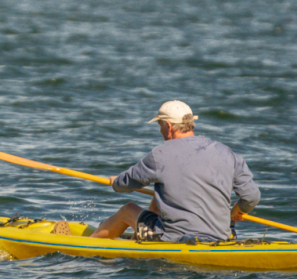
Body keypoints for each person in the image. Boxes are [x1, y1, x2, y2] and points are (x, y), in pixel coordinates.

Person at [88, 100, 260, 243]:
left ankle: (89, 245)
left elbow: (124, 185)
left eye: (160, 125)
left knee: (127, 209)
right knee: (159, 196)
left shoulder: (160, 155)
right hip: (220, 237)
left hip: (173, 238)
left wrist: (116, 181)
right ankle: (136, 241)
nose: (160, 130)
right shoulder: (227, 153)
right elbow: (252, 196)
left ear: (169, 126)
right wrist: (238, 208)